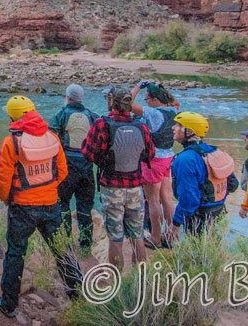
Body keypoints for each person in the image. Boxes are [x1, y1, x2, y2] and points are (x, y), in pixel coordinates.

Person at [0, 96, 79, 318]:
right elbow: (62, 171)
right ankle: (79, 296)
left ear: (14, 115)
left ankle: (8, 304)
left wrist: (6, 199)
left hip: (22, 206)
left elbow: (3, 178)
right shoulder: (52, 137)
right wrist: (47, 189)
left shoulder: (11, 142)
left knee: (15, 254)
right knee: (62, 251)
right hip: (50, 204)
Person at [80, 86, 155, 269]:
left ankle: (116, 282)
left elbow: (87, 153)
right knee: (137, 234)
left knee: (115, 238)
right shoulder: (141, 125)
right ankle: (140, 279)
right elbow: (150, 154)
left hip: (112, 187)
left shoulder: (101, 123)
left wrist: (103, 160)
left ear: (112, 101)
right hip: (136, 187)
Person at [169, 112, 238, 238]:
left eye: (178, 125)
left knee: (198, 253)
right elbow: (233, 184)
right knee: (211, 245)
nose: (173, 128)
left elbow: (188, 198)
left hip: (198, 215)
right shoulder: (214, 151)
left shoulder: (186, 159)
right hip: (218, 210)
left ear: (189, 132)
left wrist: (176, 223)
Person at [49, 83, 98, 251]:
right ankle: (85, 244)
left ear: (68, 97)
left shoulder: (61, 114)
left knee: (62, 204)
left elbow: (51, 138)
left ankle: (66, 242)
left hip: (66, 167)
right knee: (85, 206)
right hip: (86, 166)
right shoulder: (92, 115)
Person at [131, 80, 179, 249]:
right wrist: (158, 87)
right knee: (167, 197)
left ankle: (156, 238)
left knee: (152, 200)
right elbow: (173, 101)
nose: (146, 103)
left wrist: (138, 86)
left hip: (153, 160)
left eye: (146, 99)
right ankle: (172, 235)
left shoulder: (153, 113)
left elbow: (127, 104)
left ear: (154, 100)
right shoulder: (174, 109)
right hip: (168, 157)